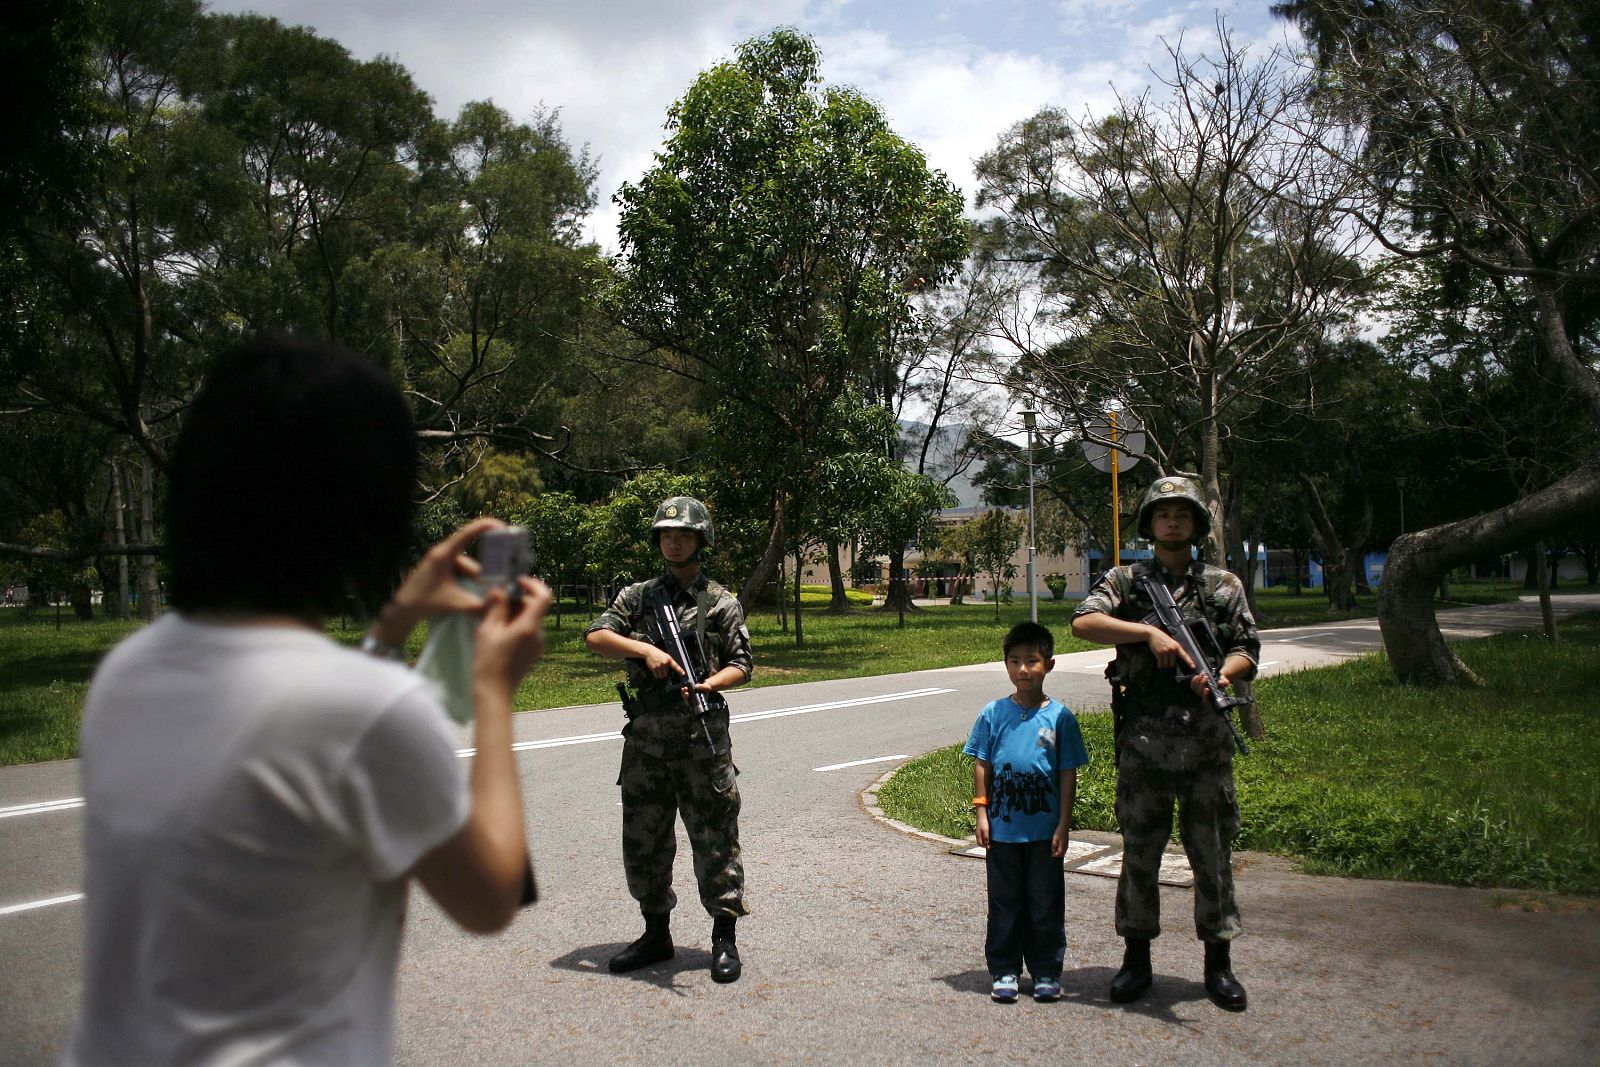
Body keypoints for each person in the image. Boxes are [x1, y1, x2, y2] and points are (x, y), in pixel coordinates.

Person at [67, 336, 553, 1066]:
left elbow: (304, 728)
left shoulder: (125, 673)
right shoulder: (369, 712)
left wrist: (388, 630)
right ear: (365, 510)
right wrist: (492, 689)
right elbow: (491, 897)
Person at [1069, 476, 1259, 1012]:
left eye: (1182, 514)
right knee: (1141, 854)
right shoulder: (1126, 582)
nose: (1172, 522)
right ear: (1149, 524)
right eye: (1162, 514)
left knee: (1212, 855)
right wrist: (1146, 634)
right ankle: (1136, 960)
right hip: (1146, 741)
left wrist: (1222, 676)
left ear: (1196, 523)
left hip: (1206, 742)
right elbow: (1084, 622)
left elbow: (1248, 646)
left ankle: (1218, 963)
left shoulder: (1223, 584)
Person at [584, 496, 753, 983]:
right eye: (665, 534)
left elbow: (742, 665)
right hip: (647, 744)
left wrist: (708, 685)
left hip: (703, 738)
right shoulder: (638, 597)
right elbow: (597, 636)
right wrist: (642, 650)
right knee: (645, 842)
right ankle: (655, 933)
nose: (673, 541)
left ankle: (724, 938)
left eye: (682, 535)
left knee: (716, 840)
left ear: (701, 541)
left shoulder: (721, 601)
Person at [964, 621, 1090, 1004]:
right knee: (1004, 903)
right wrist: (982, 813)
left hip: (1044, 832)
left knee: (1045, 903)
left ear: (1048, 664)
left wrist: (1063, 826)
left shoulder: (1060, 718)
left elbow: (1067, 773)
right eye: (1015, 661)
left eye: (1032, 661)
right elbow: (981, 764)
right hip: (1002, 832)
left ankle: (1047, 971)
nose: (1023, 669)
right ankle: (1004, 970)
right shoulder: (993, 713)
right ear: (1005, 666)